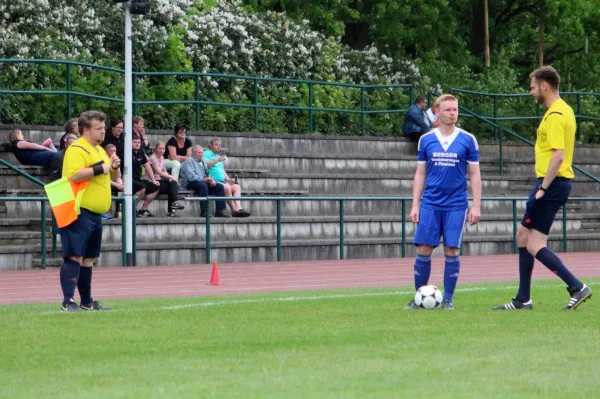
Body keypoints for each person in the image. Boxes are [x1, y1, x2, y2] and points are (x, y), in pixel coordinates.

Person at [493, 66, 592, 311]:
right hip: (554, 183)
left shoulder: (557, 114)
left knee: (534, 244)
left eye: (533, 87)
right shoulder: (562, 110)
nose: (531, 92)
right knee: (523, 236)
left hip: (552, 183)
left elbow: (558, 156)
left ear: (544, 86)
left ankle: (576, 286)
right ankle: (523, 299)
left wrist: (542, 188)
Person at [405, 94, 481, 311]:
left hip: (456, 205)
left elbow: (475, 174)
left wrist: (476, 205)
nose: (452, 113)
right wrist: (415, 204)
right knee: (424, 249)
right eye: (448, 110)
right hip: (430, 203)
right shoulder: (426, 140)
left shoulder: (468, 139)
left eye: (455, 109)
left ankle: (447, 299)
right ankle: (419, 297)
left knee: (452, 250)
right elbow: (420, 173)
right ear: (437, 111)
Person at [58, 110, 120, 312]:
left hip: (96, 213)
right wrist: (101, 169)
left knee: (88, 258)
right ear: (85, 130)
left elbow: (108, 175)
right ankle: (68, 302)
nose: (103, 132)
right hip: (79, 210)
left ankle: (86, 301)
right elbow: (75, 175)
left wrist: (114, 168)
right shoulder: (77, 149)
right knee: (74, 255)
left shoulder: (100, 151)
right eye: (99, 128)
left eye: (103, 127)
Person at [203, 138, 251, 217]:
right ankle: (234, 211)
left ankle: (239, 208)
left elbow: (222, 170)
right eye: (216, 144)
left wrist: (228, 179)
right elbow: (206, 165)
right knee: (227, 188)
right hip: (213, 181)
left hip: (222, 181)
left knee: (236, 187)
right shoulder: (206, 153)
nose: (219, 146)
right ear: (211, 145)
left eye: (220, 145)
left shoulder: (218, 156)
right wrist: (218, 159)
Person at [180, 145, 228, 217]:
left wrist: (211, 180)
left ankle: (220, 211)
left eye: (202, 153)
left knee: (219, 186)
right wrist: (204, 179)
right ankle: (204, 211)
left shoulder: (203, 161)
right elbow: (191, 177)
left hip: (202, 182)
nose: (200, 154)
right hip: (189, 183)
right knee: (203, 186)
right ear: (193, 153)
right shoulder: (189, 161)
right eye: (198, 152)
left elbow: (206, 174)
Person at [148, 142, 185, 217]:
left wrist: (170, 178)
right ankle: (173, 206)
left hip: (160, 180)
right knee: (172, 185)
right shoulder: (153, 158)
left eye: (163, 148)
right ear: (156, 149)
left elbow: (164, 170)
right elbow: (159, 172)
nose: (161, 150)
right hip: (152, 181)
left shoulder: (162, 158)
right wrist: (171, 177)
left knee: (173, 184)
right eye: (159, 148)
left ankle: (172, 208)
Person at [131, 135, 160, 217]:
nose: (137, 144)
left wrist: (153, 180)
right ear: (130, 143)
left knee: (155, 187)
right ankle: (131, 209)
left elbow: (147, 165)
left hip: (138, 178)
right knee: (141, 187)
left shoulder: (141, 152)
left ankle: (143, 209)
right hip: (128, 179)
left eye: (139, 142)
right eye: (135, 142)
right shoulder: (126, 152)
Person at [103, 144, 125, 220]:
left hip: (112, 182)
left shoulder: (116, 161)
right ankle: (105, 211)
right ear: (106, 152)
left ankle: (119, 211)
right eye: (111, 151)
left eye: (114, 151)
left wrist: (121, 185)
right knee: (107, 188)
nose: (113, 153)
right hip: (104, 182)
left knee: (123, 188)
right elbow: (104, 178)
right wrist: (117, 185)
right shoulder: (103, 161)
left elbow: (118, 176)